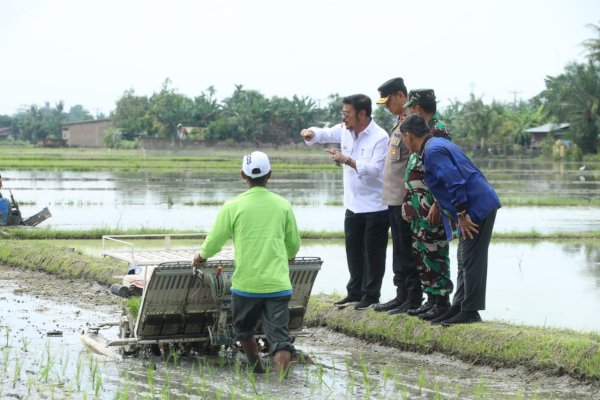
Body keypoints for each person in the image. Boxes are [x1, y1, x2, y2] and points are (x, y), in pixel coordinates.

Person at [193, 151, 301, 374]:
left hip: (246, 286)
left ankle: (256, 371)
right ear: (269, 175)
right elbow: (293, 245)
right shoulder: (283, 205)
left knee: (243, 331)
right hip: (277, 285)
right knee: (281, 341)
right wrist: (286, 256)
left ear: (243, 175)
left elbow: (214, 241)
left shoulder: (233, 206)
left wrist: (200, 256)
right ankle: (283, 388)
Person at [399, 114, 501, 325]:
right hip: (472, 206)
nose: (403, 142)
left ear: (408, 136)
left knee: (472, 259)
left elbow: (455, 182)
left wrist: (462, 215)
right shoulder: (434, 146)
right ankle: (459, 306)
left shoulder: (433, 151)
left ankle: (471, 311)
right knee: (464, 257)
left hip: (476, 208)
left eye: (402, 138)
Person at [300, 94, 389, 310]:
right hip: (353, 204)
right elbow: (325, 133)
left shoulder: (380, 137)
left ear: (362, 114)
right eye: (343, 113)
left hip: (376, 206)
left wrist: (347, 160)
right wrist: (311, 133)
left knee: (373, 253)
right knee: (354, 251)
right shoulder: (345, 130)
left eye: (347, 113)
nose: (344, 117)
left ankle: (371, 295)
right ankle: (354, 292)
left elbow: (376, 170)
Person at [401, 89, 454, 321]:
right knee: (422, 253)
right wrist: (408, 203)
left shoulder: (437, 131)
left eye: (411, 107)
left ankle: (441, 301)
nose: (409, 111)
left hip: (430, 207)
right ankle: (431, 299)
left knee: (435, 252)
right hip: (418, 206)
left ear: (418, 108)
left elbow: (441, 171)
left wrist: (436, 203)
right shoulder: (418, 129)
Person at [371, 78, 421, 315]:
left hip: (404, 198)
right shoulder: (399, 121)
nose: (386, 106)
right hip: (392, 197)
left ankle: (411, 297)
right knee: (399, 249)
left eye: (388, 101)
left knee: (407, 250)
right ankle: (401, 295)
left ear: (401, 95)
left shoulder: (413, 122)